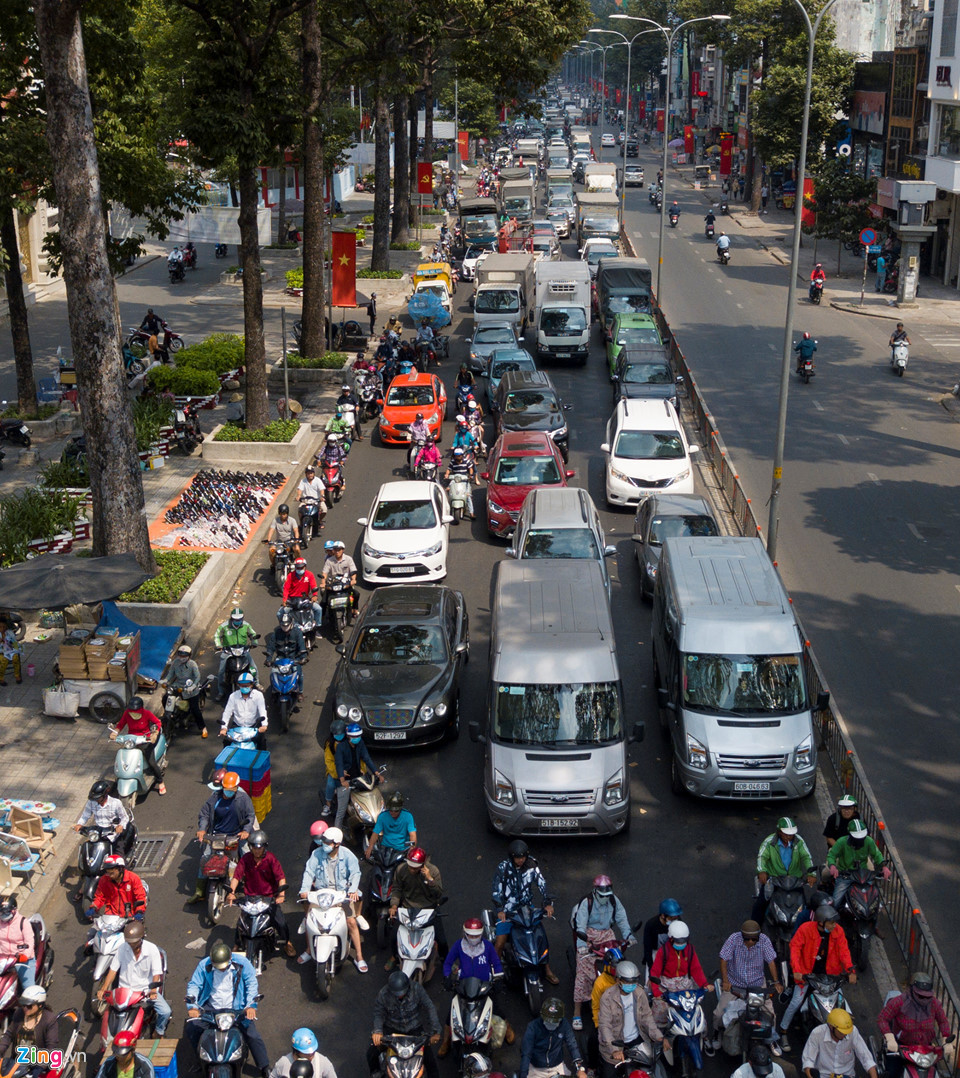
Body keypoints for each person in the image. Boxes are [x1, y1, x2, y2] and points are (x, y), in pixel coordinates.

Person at [186, 941, 270, 1078]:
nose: (221, 970)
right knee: (192, 1028)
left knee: (252, 1034)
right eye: (218, 967)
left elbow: (251, 984)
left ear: (230, 958)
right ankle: (200, 1059)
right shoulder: (204, 965)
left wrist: (250, 1006)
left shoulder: (243, 963)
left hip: (236, 1008)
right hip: (211, 1007)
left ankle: (264, 1066)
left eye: (223, 967)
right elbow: (194, 984)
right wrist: (192, 1006)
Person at [779, 906, 856, 1051]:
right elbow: (794, 948)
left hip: (830, 976)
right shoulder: (805, 929)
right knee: (796, 1002)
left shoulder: (838, 931)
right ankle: (783, 1031)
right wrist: (797, 970)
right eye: (831, 923)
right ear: (821, 922)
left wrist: (850, 970)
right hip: (807, 975)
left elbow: (844, 951)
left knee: (842, 1004)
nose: (834, 925)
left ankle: (848, 1034)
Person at [299, 826, 368, 973]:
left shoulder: (347, 855)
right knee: (309, 920)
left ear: (337, 844)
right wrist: (304, 890)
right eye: (323, 841)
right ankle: (309, 950)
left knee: (351, 922)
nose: (324, 844)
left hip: (341, 894)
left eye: (328, 842)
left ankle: (360, 956)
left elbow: (355, 873)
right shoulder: (316, 854)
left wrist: (353, 890)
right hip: (321, 894)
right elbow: (308, 872)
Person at [570, 875, 634, 1029]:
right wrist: (582, 946)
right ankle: (576, 1012)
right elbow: (580, 926)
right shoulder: (587, 903)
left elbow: (622, 919)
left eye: (607, 895)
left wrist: (628, 936)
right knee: (582, 974)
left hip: (607, 934)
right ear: (595, 891)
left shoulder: (614, 901)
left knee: (617, 965)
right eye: (602, 895)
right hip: (588, 936)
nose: (605, 898)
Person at [491, 839, 558, 984]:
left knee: (541, 937)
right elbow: (496, 891)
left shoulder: (532, 865)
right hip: (508, 911)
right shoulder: (503, 868)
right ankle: (495, 970)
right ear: (511, 856)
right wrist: (500, 910)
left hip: (527, 909)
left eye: (523, 857)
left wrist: (547, 904)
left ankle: (546, 969)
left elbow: (542, 884)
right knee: (500, 941)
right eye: (517, 857)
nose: (521, 860)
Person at [439, 918, 509, 1057]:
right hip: (463, 987)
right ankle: (446, 1042)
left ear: (481, 934)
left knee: (498, 1011)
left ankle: (509, 1031)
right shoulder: (459, 945)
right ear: (465, 933)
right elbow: (447, 963)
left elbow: (496, 964)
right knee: (451, 1016)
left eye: (476, 935)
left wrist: (499, 979)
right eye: (470, 935)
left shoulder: (488, 946)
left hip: (485, 987)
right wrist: (447, 977)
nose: (473, 938)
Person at [710, 920, 782, 1050]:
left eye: (754, 939)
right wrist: (726, 982)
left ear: (758, 937)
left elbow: (771, 961)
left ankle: (771, 1037)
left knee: (770, 1013)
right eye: (747, 939)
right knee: (719, 1014)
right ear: (742, 936)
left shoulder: (764, 941)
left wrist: (776, 982)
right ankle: (717, 1032)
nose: (750, 942)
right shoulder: (733, 939)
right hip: (735, 985)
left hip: (757, 984)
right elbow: (723, 960)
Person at [227, 829, 297, 958]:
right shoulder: (246, 859)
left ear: (265, 847)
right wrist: (231, 892)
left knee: (281, 923)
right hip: (250, 898)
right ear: (250, 847)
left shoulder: (270, 859)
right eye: (254, 847)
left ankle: (287, 942)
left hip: (268, 898)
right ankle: (237, 944)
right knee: (241, 924)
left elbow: (281, 878)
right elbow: (236, 877)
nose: (257, 850)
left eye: (260, 847)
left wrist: (281, 895)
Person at [190, 771, 256, 904]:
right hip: (216, 835)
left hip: (235, 836)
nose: (228, 792)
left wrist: (245, 831)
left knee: (248, 856)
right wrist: (202, 829)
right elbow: (204, 814)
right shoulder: (215, 797)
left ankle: (252, 887)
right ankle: (199, 891)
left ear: (236, 788)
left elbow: (250, 816)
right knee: (205, 858)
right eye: (226, 789)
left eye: (231, 790)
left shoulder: (243, 799)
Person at [97, 921, 171, 1035]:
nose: (131, 945)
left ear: (141, 939)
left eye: (134, 943)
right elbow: (113, 970)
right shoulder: (122, 948)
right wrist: (104, 988)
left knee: (166, 1012)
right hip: (124, 993)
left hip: (144, 992)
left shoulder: (152, 950)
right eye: (129, 943)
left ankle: (159, 1031)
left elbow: (156, 973)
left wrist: (152, 991)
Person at [877, 971, 952, 1078]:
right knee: (892, 1073)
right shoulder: (900, 1002)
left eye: (927, 997)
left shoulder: (934, 1004)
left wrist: (946, 1039)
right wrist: (890, 1038)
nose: (925, 999)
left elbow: (943, 1021)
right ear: (912, 990)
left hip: (926, 1049)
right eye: (921, 996)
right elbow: (882, 1018)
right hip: (901, 1047)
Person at [597, 960, 663, 1078]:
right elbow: (605, 1026)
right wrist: (614, 1050)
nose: (632, 985)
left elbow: (647, 1016)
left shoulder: (639, 992)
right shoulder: (607, 998)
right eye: (628, 981)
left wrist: (657, 1035)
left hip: (637, 1041)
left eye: (634, 981)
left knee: (653, 1068)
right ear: (618, 980)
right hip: (616, 1043)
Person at [369, 971, 441, 1078]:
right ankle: (376, 1073)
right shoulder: (383, 994)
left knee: (430, 1060)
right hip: (392, 1029)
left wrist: (435, 1031)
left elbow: (429, 1007)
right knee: (371, 1053)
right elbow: (378, 1013)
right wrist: (378, 1031)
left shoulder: (417, 989)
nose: (400, 996)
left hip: (415, 1030)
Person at [387, 847, 447, 964]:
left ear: (422, 865)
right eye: (410, 866)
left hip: (429, 909)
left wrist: (430, 880)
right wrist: (394, 905)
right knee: (394, 937)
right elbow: (396, 889)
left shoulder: (433, 871)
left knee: (442, 940)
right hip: (408, 908)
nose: (411, 869)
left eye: (415, 868)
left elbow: (438, 894)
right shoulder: (401, 870)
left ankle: (446, 961)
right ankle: (395, 956)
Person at [648, 920, 712, 1029]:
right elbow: (654, 973)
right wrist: (657, 992)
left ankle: (702, 1036)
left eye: (683, 941)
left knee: (695, 1011)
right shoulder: (663, 952)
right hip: (666, 986)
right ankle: (660, 1038)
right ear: (671, 939)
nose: (681, 944)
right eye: (678, 941)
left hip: (685, 984)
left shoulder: (690, 950)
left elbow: (696, 969)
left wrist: (705, 984)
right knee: (660, 1012)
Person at [753, 816, 816, 923]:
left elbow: (806, 857)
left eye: (791, 834)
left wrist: (812, 873)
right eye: (786, 834)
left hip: (795, 880)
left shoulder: (799, 841)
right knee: (761, 903)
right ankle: (754, 930)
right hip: (775, 879)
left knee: (805, 905)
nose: (789, 837)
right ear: (779, 832)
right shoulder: (769, 842)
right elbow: (761, 857)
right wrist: (762, 871)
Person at [826, 819, 890, 909]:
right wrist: (832, 866)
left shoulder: (869, 841)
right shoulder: (841, 842)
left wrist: (883, 867)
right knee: (835, 902)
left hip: (863, 875)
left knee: (874, 901)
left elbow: (877, 855)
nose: (860, 840)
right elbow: (831, 855)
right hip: (845, 875)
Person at [110, 696, 166, 796]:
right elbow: (120, 725)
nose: (133, 713)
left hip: (145, 740)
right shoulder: (127, 713)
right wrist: (115, 733)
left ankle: (160, 781)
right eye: (131, 710)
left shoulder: (146, 713)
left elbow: (157, 722)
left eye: (136, 711)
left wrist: (155, 733)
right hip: (131, 740)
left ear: (141, 709)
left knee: (151, 762)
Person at [520, 998, 587, 1078]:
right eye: (548, 1021)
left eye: (555, 1021)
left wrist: (579, 1068)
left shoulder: (564, 1025)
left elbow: (572, 1044)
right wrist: (523, 1074)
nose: (551, 1024)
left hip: (557, 1067)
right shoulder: (533, 1027)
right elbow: (526, 1053)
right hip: (537, 1068)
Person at [801, 1008, 878, 1078]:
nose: (844, 1034)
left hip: (847, 1075)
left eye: (846, 1032)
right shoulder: (817, 1033)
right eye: (841, 1032)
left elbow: (866, 1057)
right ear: (831, 1027)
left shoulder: (853, 1031)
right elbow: (808, 1060)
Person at [0, 985, 58, 1070]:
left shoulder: (49, 1020)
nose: (25, 1008)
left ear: (40, 1005)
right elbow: (8, 1035)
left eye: (29, 1006)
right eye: (23, 1005)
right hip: (16, 1064)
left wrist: (41, 1066)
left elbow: (51, 1046)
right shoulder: (19, 1013)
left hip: (37, 1066)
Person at [73, 780, 136, 859]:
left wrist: (120, 826)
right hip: (98, 833)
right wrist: (79, 824)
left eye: (98, 798)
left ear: (105, 795)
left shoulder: (116, 803)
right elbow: (85, 815)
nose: (96, 800)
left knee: (119, 860)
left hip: (113, 835)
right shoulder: (91, 802)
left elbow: (125, 817)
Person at [333, 721, 376, 829]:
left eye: (358, 736)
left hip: (358, 778)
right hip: (346, 781)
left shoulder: (360, 744)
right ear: (348, 736)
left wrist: (376, 772)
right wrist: (342, 780)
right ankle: (337, 832)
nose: (357, 738)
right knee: (341, 811)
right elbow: (339, 764)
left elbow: (367, 758)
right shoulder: (341, 747)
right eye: (354, 736)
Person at [213, 607, 259, 702]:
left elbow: (253, 635)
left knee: (253, 668)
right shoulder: (224, 626)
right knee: (221, 672)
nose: (237, 621)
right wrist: (219, 645)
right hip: (228, 652)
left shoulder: (246, 626)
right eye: (235, 619)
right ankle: (221, 691)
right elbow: (217, 635)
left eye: (239, 619)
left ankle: (257, 683)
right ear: (231, 618)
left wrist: (254, 642)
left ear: (242, 618)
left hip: (243, 651)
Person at [87, 853, 148, 924]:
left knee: (134, 934)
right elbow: (99, 897)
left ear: (120, 869)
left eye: (112, 873)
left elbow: (140, 898)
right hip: (111, 916)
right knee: (92, 934)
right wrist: (93, 908)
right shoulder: (104, 880)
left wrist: (139, 912)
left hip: (130, 917)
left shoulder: (133, 878)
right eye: (108, 873)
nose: (110, 876)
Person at [163, 644, 206, 737]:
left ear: (189, 656)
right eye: (180, 655)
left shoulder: (192, 664)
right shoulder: (175, 662)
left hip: (190, 688)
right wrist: (166, 680)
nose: (181, 658)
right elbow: (170, 674)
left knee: (195, 709)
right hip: (178, 686)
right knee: (165, 698)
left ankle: (203, 728)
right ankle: (170, 716)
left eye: (184, 656)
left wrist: (193, 686)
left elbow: (197, 676)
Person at [219, 671, 268, 750]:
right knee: (226, 742)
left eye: (247, 685)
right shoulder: (233, 696)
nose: (244, 687)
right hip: (237, 726)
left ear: (252, 685)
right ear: (238, 685)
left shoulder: (258, 695)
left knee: (261, 743)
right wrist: (223, 728)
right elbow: (227, 713)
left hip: (254, 726)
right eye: (242, 686)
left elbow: (262, 711)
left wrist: (264, 725)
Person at [264, 607, 306, 698]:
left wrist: (303, 658)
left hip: (294, 658)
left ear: (291, 624)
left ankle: (300, 692)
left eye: (286, 625)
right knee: (273, 673)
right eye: (283, 625)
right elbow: (270, 648)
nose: (285, 627)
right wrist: (268, 659)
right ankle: (274, 690)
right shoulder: (276, 633)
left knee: (299, 674)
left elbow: (302, 647)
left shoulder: (297, 633)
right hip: (281, 658)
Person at [365, 791, 417, 860]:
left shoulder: (408, 816)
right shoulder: (382, 816)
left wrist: (412, 849)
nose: (393, 813)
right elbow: (375, 833)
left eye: (396, 811)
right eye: (391, 810)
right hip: (385, 849)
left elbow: (412, 835)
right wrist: (370, 847)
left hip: (402, 849)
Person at [0, 896, 36, 991]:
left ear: (14, 910)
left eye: (7, 911)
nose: (4, 914)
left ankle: (39, 1005)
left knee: (29, 991)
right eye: (2, 912)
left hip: (22, 960)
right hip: (5, 961)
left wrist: (24, 955)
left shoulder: (23, 922)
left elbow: (29, 942)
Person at [319, 541, 359, 625]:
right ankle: (320, 620)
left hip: (346, 584)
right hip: (333, 584)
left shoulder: (348, 559)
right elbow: (325, 573)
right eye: (335, 550)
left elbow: (353, 571)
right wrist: (323, 583)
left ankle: (354, 610)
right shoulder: (329, 560)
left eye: (339, 550)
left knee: (356, 594)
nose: (337, 552)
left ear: (343, 550)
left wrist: (353, 580)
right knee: (323, 601)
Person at [269, 1029, 338, 1078]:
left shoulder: (323, 1062)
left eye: (313, 1052)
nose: (311, 1055)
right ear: (296, 1051)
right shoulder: (283, 1063)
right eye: (307, 1053)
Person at [282, 559, 323, 640]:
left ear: (305, 567)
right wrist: (284, 600)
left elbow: (313, 586)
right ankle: (284, 630)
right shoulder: (290, 576)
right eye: (298, 568)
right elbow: (286, 589)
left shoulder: (309, 575)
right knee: (280, 613)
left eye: (301, 567)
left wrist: (315, 596)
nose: (299, 569)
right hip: (292, 601)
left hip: (305, 600)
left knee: (318, 609)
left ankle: (316, 628)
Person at [319, 721, 346, 817]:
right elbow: (329, 761)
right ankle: (328, 805)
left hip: (348, 768)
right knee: (330, 784)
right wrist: (337, 774)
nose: (338, 736)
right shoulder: (329, 744)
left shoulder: (350, 741)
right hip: (334, 770)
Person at [591, 947, 623, 1027]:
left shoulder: (625, 978)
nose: (617, 970)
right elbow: (596, 1007)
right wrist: (598, 1025)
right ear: (607, 966)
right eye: (614, 967)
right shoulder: (599, 983)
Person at [296, 465, 328, 537]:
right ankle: (302, 523)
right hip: (306, 501)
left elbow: (322, 489)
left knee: (324, 510)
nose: (310, 475)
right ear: (306, 474)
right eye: (308, 473)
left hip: (316, 501)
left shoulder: (317, 480)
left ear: (313, 473)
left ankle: (319, 521)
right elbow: (300, 490)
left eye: (311, 473)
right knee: (300, 510)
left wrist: (322, 496)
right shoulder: (303, 481)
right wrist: (298, 496)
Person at [266, 504, 301, 568]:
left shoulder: (292, 520)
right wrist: (268, 540)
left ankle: (298, 564)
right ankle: (274, 565)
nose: (283, 515)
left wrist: (296, 539)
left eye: (284, 514)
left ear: (287, 513)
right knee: (271, 551)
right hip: (279, 541)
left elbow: (296, 530)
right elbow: (271, 530)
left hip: (290, 541)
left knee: (297, 549)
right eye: (281, 514)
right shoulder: (275, 520)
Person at [0, 618, 23, 685]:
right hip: (1, 652)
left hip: (10, 650)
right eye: (0, 627)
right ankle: (0, 678)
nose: (2, 629)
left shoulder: (9, 632)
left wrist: (16, 648)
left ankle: (17, 675)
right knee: (4, 660)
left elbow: (14, 642)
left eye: (4, 627)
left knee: (15, 657)